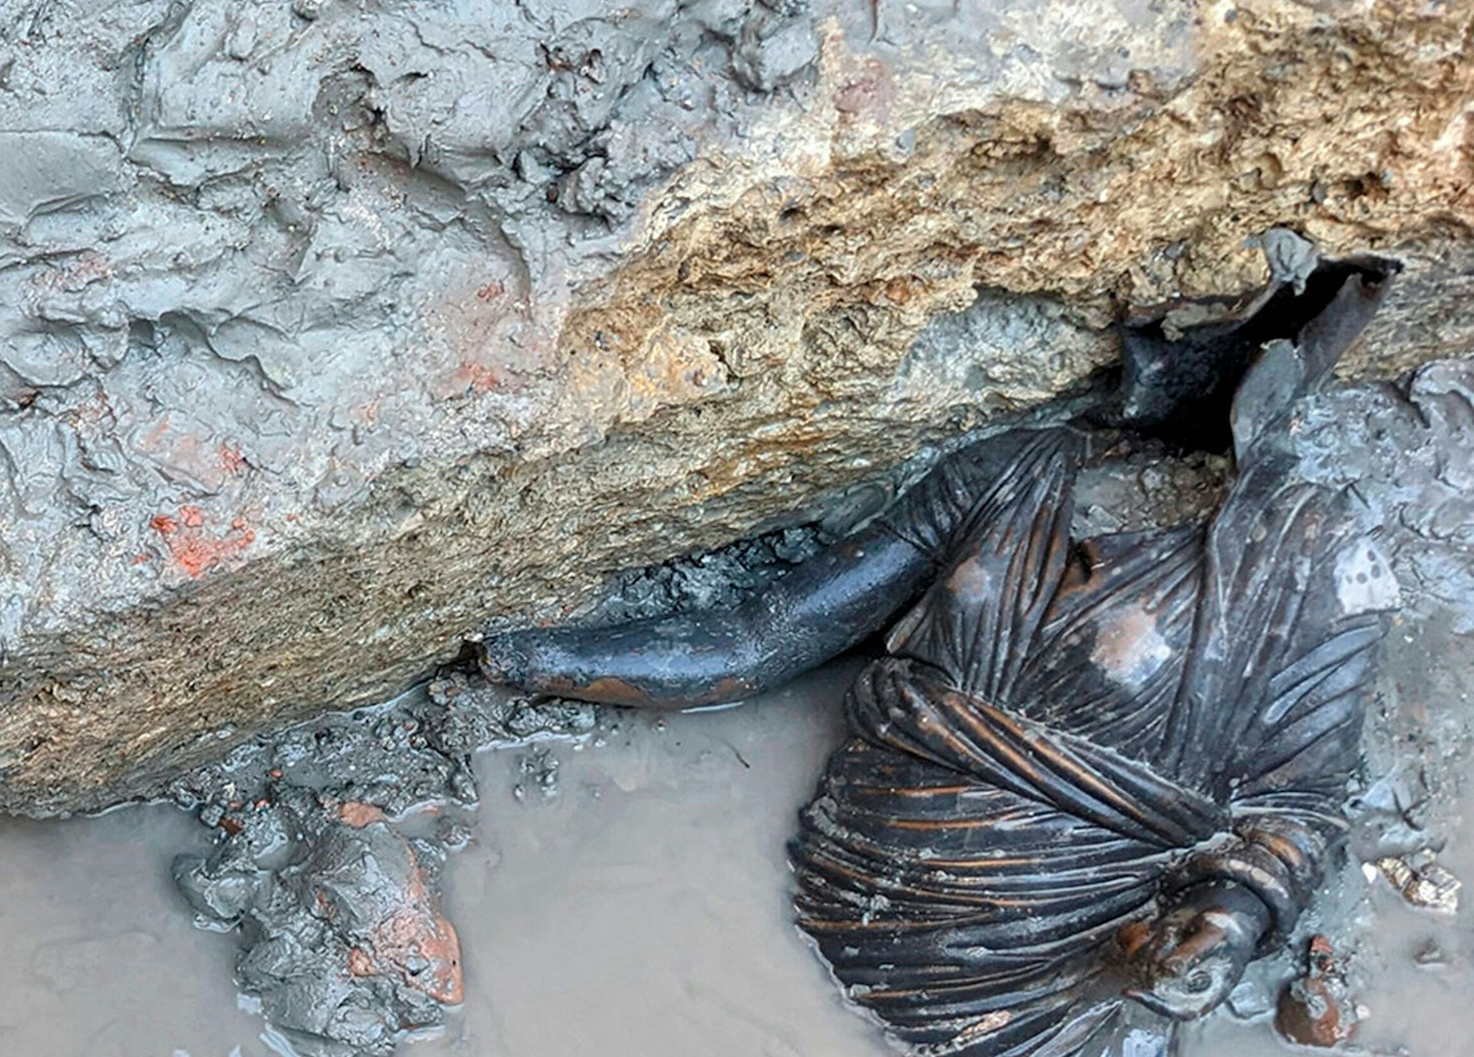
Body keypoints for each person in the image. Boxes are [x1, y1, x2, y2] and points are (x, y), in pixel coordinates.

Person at [479, 252, 1401, 1055]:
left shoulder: (1311, 557)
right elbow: (763, 636)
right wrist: (518, 658)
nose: (1194, 347)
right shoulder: (1013, 472)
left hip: (1049, 971)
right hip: (835, 897)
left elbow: (1298, 809)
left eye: (1244, 325)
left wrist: (1229, 923)